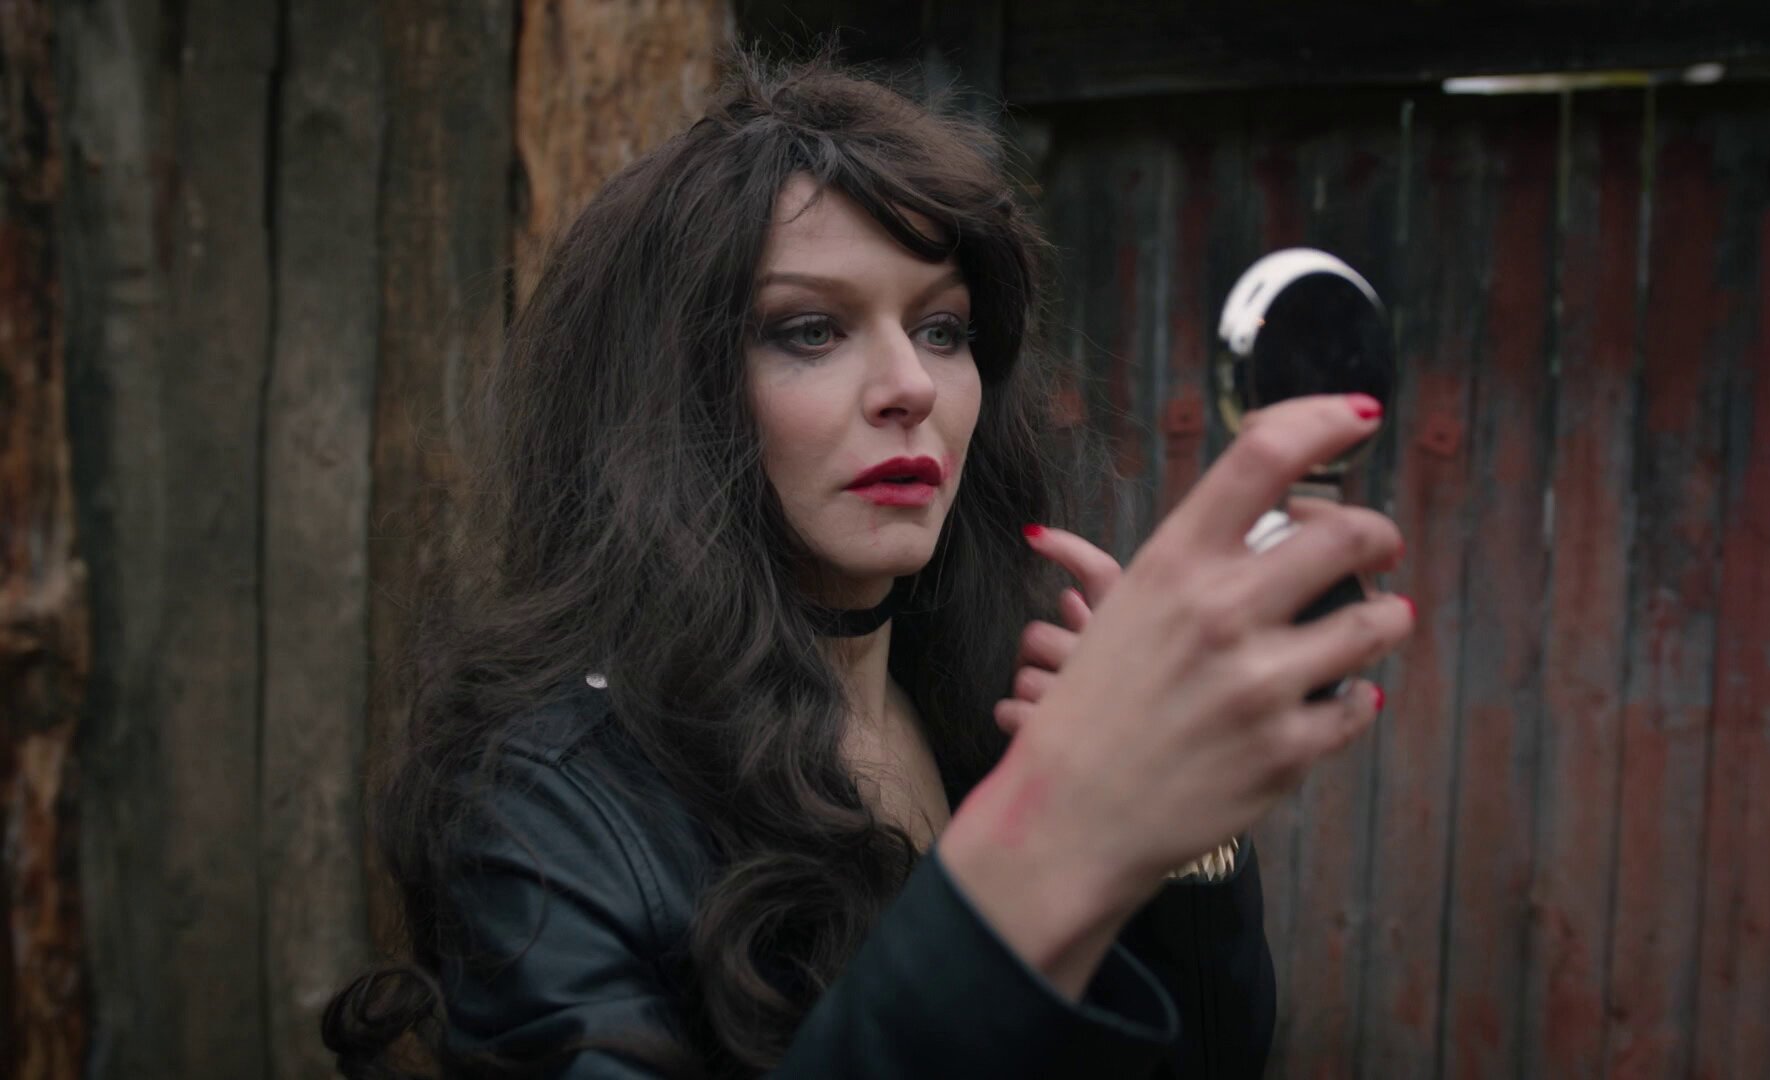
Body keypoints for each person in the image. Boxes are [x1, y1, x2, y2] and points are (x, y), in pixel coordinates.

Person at [322, 48, 1412, 1079]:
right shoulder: (548, 800)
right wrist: (1053, 837)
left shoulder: (1002, 704)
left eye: (943, 330)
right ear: (674, 396)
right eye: (810, 330)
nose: (911, 387)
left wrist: (1177, 832)